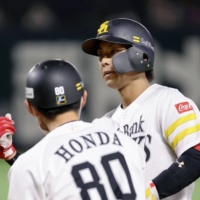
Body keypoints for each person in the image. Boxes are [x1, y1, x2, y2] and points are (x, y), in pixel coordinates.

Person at [81, 18, 200, 200]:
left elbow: (195, 155)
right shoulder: (102, 125)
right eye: (100, 55)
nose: (104, 61)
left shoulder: (167, 100)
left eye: (113, 52)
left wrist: (151, 192)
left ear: (141, 54)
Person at [0, 59, 146, 200]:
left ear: (30, 108)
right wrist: (10, 154)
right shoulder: (127, 143)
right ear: (83, 98)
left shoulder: (29, 164)